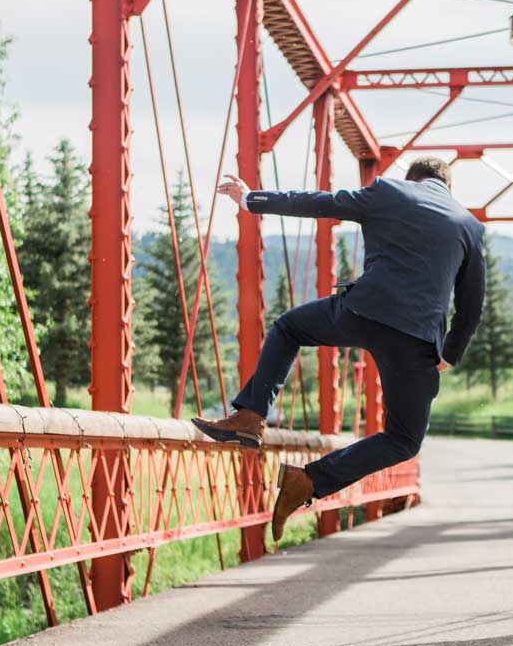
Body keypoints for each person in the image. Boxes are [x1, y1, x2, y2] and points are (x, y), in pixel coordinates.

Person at [194, 158, 486, 544]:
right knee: (403, 440)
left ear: (412, 179)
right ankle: (309, 480)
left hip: (364, 310)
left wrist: (252, 200)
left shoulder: (389, 191)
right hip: (416, 338)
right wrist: (449, 354)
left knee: (289, 328)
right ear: (447, 186)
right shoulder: (469, 225)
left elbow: (321, 203)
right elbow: (471, 304)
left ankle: (250, 416)